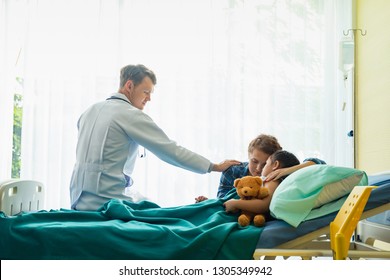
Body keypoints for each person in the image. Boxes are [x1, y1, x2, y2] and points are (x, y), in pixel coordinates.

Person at [70, 64, 240, 211]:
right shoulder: (130, 114)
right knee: (164, 215)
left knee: (146, 202)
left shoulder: (90, 110)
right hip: (107, 201)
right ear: (129, 86)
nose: (149, 98)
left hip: (78, 199)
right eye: (146, 92)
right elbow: (171, 151)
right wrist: (214, 166)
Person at [195, 134, 325, 202]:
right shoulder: (233, 171)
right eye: (254, 161)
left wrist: (287, 170)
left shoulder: (279, 173)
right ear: (248, 155)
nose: (258, 169)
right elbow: (223, 202)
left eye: (264, 164)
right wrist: (209, 203)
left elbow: (319, 164)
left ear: (274, 163)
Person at [223, 150, 300, 217]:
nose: (261, 169)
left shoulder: (272, 180)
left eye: (266, 164)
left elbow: (264, 205)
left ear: (275, 165)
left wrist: (235, 203)